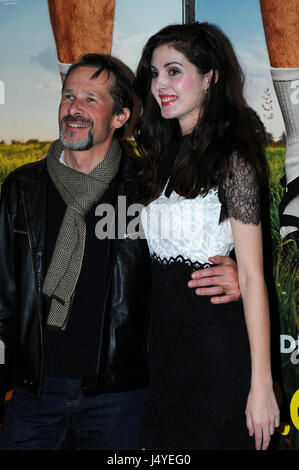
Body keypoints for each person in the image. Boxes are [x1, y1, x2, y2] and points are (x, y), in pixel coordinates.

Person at [0, 53, 240, 450]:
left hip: (119, 398)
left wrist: (237, 273)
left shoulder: (148, 189)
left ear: (120, 117)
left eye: (91, 99)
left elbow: (185, 260)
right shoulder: (22, 188)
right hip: (33, 393)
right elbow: (4, 293)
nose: (74, 107)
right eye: (68, 96)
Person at [134, 22, 280, 450]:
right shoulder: (160, 158)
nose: (160, 83)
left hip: (217, 352)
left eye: (174, 71)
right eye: (154, 72)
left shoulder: (233, 160)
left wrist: (262, 386)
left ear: (210, 76)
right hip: (164, 356)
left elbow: (252, 277)